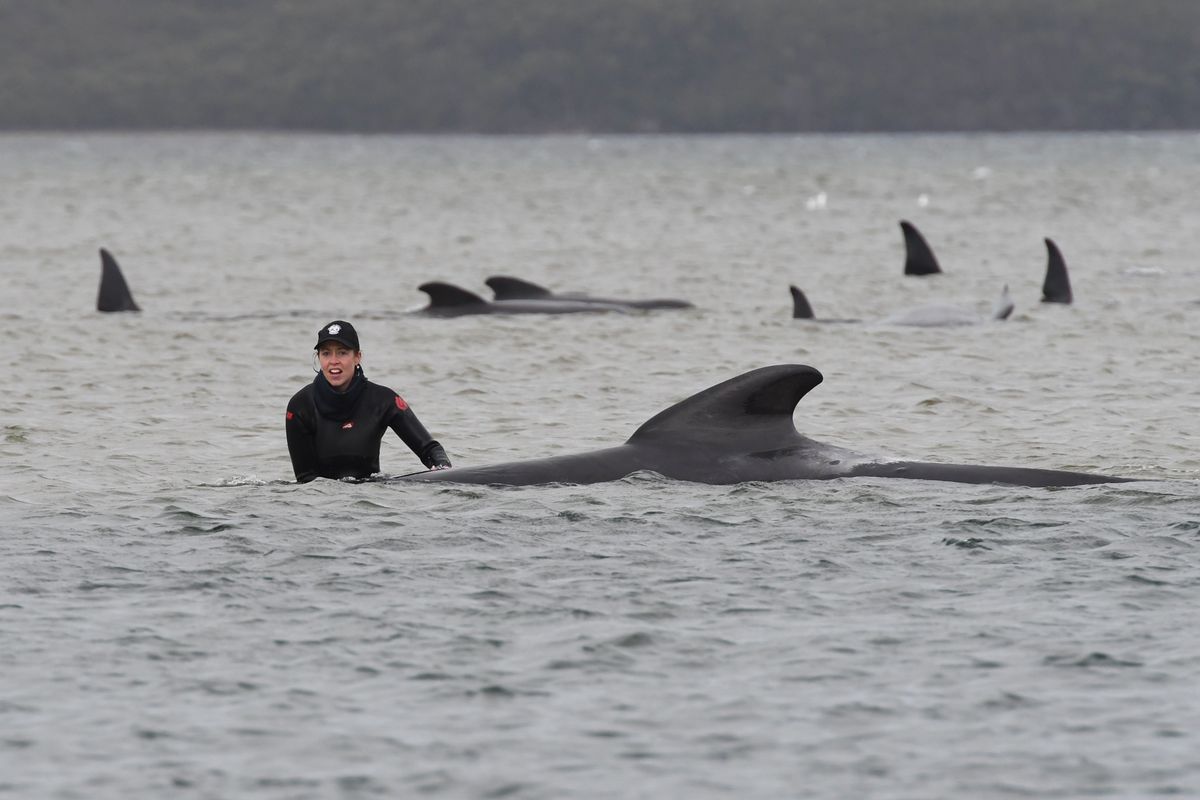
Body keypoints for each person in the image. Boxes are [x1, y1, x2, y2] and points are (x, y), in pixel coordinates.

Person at [286, 320, 451, 482]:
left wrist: (445, 472)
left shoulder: (383, 400)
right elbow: (305, 479)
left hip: (371, 498)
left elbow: (429, 449)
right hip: (322, 504)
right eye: (326, 353)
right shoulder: (300, 406)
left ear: (357, 357)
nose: (333, 361)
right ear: (319, 357)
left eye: (342, 352)